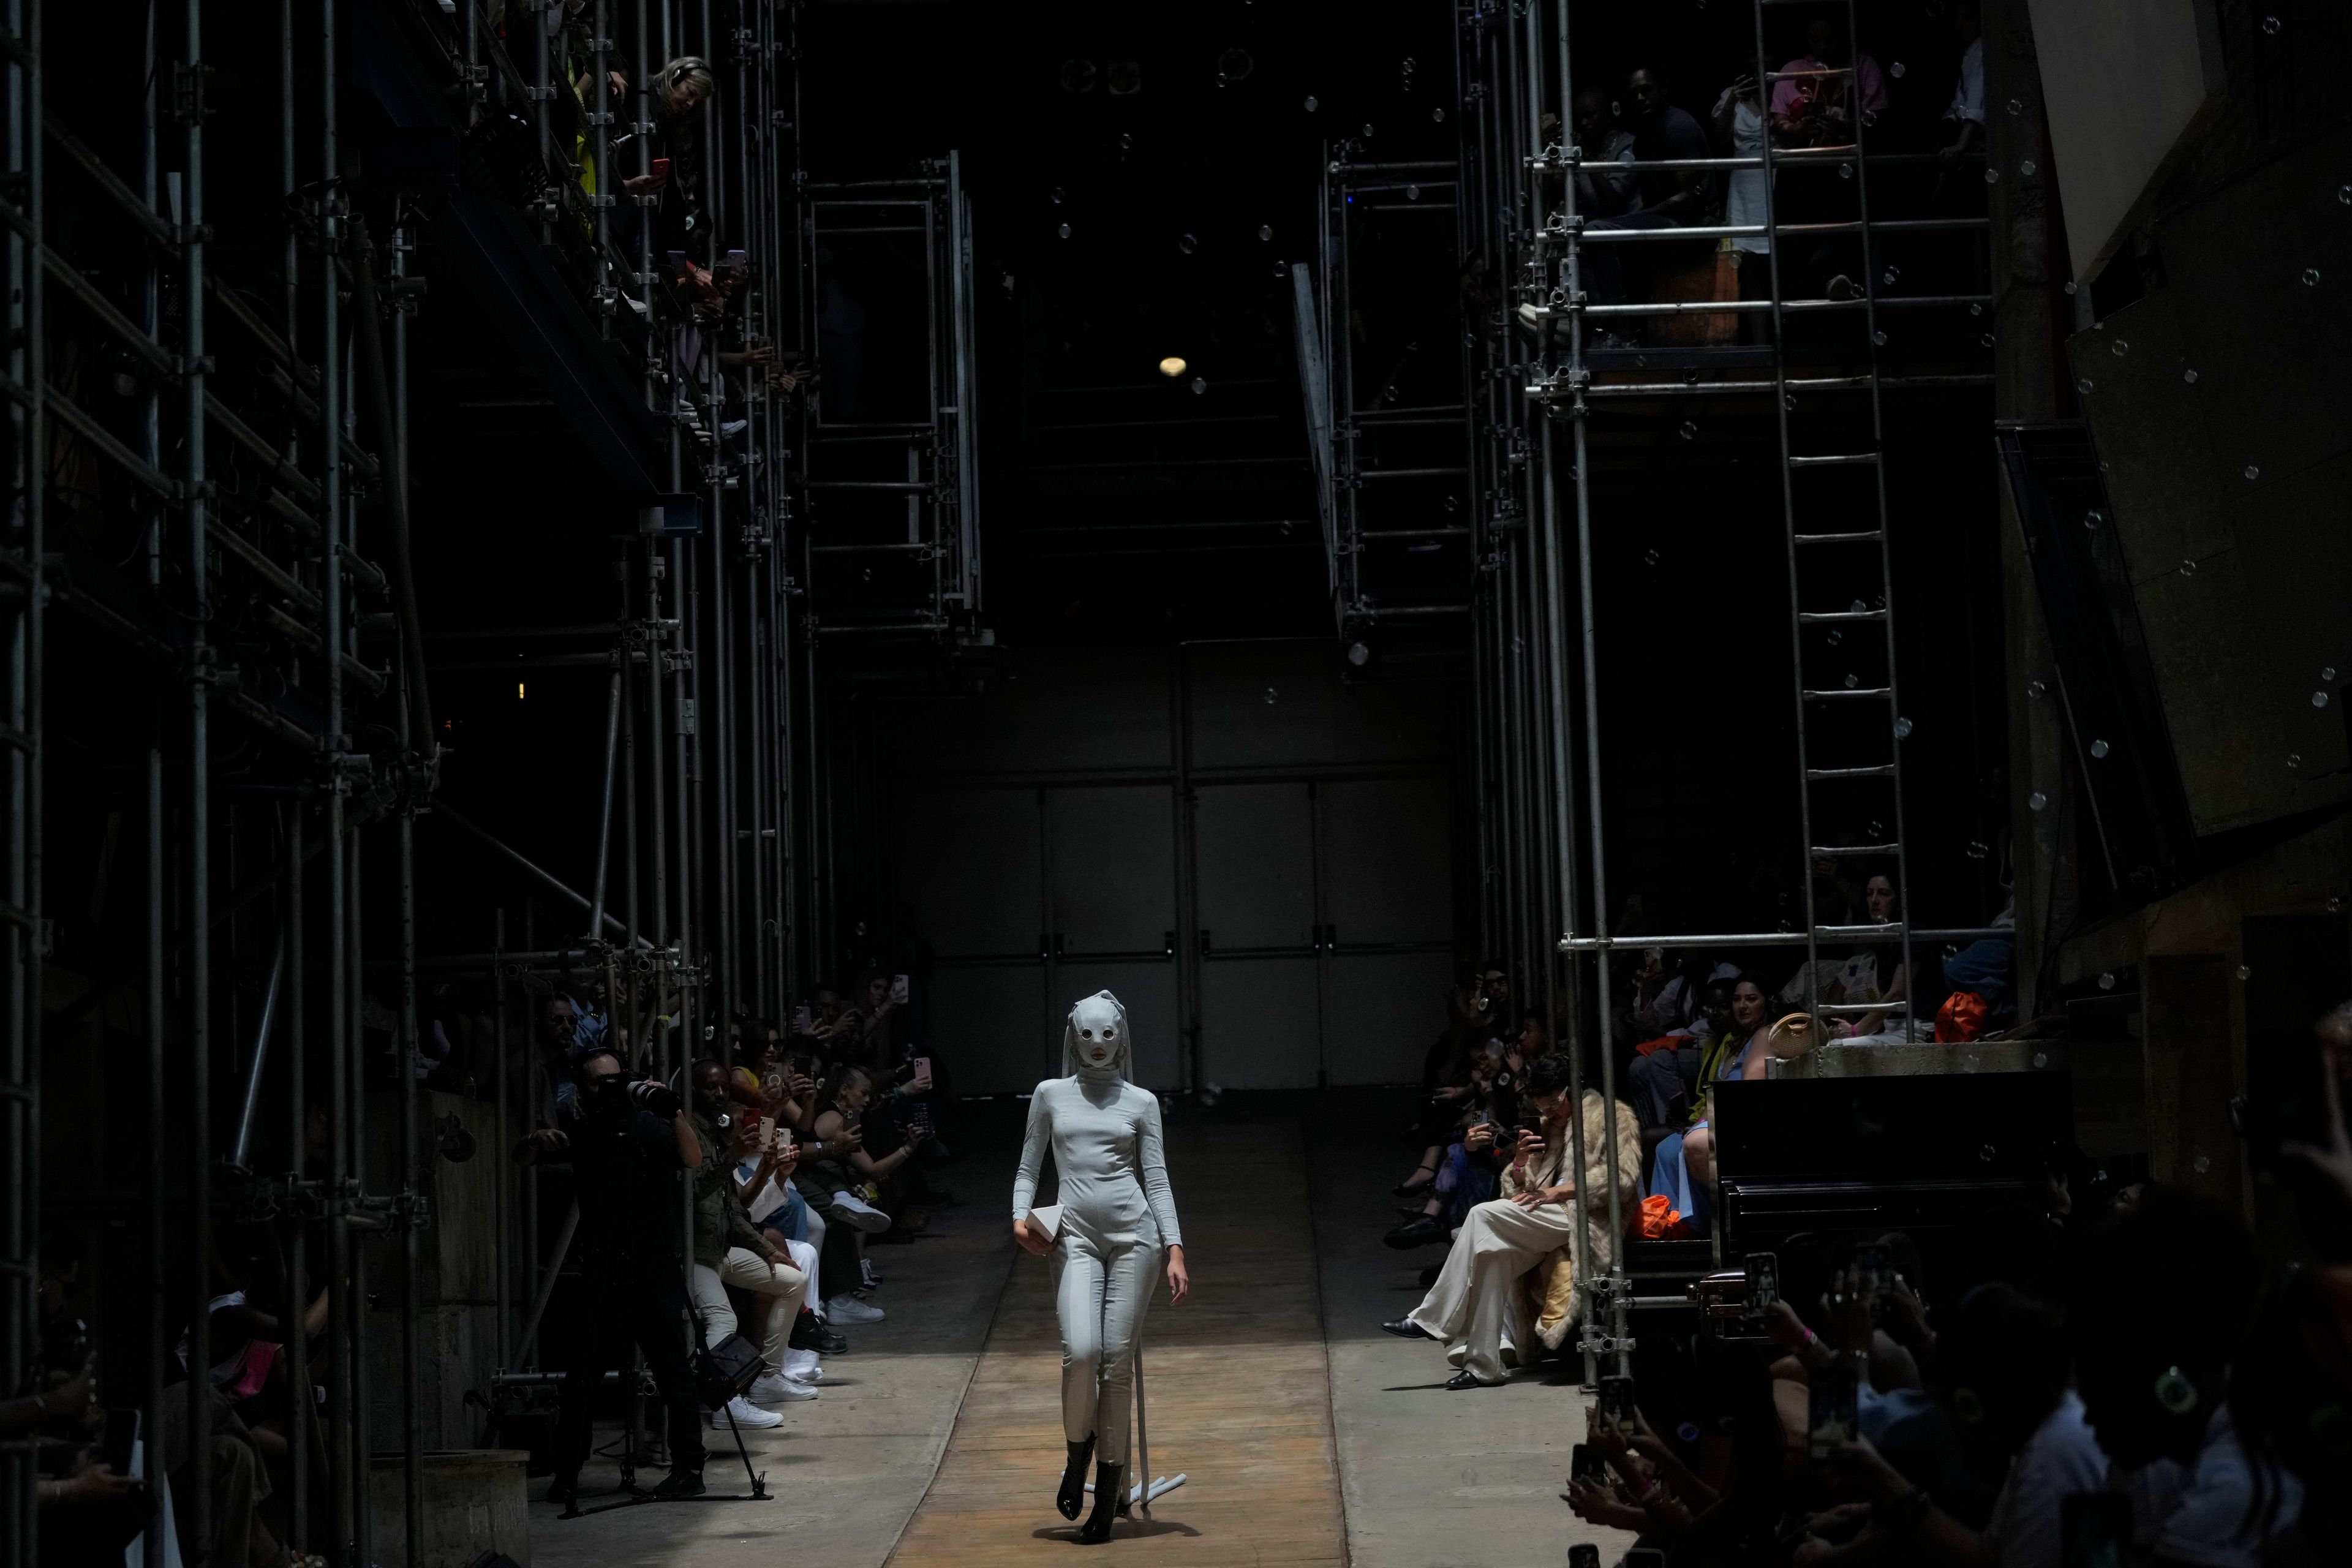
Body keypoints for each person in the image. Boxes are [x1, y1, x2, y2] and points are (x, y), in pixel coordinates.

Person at [1011, 991, 1190, 1544]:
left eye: (1106, 1035)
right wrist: (1020, 1220)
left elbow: (1155, 1178)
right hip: (1074, 1236)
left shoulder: (1140, 1101)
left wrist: (1176, 1247)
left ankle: (1106, 1500)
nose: (1096, 1045)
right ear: (1073, 1035)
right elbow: (1027, 1166)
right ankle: (1076, 1457)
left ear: (1121, 1036)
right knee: (1081, 1352)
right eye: (1087, 1035)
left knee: (1116, 1364)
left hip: (1136, 1235)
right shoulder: (1050, 1094)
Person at [513, 1045, 709, 1503]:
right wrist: (533, 1141)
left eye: (617, 1079)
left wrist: (672, 1109)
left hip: (652, 1264)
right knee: (580, 1375)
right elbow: (521, 1159)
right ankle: (567, 1471)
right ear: (582, 1087)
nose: (611, 1089)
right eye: (600, 1082)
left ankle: (688, 1468)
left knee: (673, 1372)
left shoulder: (647, 1125)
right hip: (601, 1264)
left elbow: (693, 1159)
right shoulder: (584, 1128)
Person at [1381, 1054, 1641, 1389]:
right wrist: (1519, 1164)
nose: (1547, 1112)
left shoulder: (1613, 1116)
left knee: (1479, 1214)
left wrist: (1560, 1192)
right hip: (1545, 1217)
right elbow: (1521, 1188)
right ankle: (1482, 1366)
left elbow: (1622, 1178)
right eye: (1541, 1105)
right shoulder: (1548, 1125)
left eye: (1554, 1103)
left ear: (1571, 1091)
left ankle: (1431, 1319)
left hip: (1589, 1219)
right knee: (1492, 1256)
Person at [685, 1059, 818, 1428]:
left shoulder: (713, 1132)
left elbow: (735, 1209)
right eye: (711, 1087)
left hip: (719, 1247)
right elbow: (694, 1193)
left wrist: (766, 1250)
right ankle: (724, 1403)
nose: (719, 1093)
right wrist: (734, 1157)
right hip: (692, 1251)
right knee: (722, 1316)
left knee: (793, 1280)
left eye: (723, 1086)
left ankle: (766, 1378)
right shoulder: (692, 1134)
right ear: (692, 1090)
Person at [1770, 13, 1890, 146]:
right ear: (1807, 39)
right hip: (1802, 159)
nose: (1823, 47)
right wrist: (1797, 130)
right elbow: (1779, 121)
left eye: (1829, 40)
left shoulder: (1863, 65)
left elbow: (1878, 117)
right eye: (1815, 40)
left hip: (1851, 155)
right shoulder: (1791, 70)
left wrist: (1846, 128)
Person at [1569, 87, 1636, 221]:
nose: (1584, 123)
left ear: (1608, 113)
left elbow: (1613, 202)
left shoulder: (1629, 145)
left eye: (1589, 116)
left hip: (1622, 224)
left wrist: (1588, 157)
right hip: (1590, 225)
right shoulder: (1582, 152)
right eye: (1580, 118)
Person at [1941, 1, 1986, 160]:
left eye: (1968, 18)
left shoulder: (1981, 52)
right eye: (1957, 19)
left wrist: (1961, 145)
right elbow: (1961, 102)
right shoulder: (1970, 53)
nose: (1961, 25)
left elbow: (1975, 101)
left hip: (1978, 145)